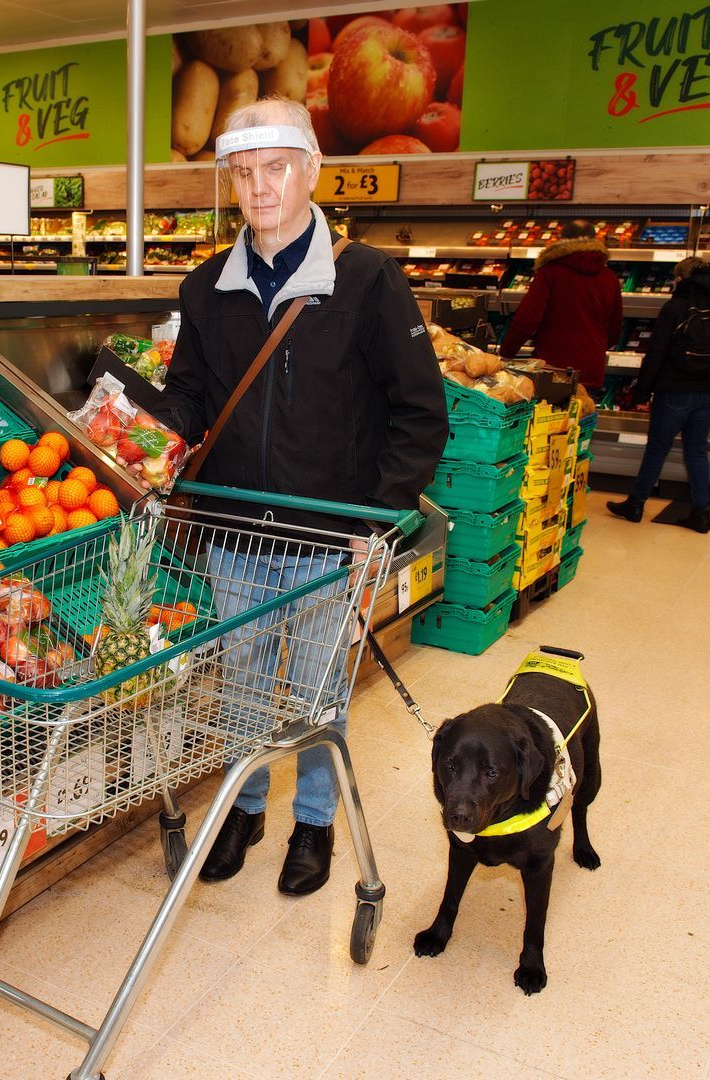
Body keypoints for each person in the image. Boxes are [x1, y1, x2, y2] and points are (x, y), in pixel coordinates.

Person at [155, 97, 446, 897]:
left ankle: (313, 823)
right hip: (233, 528)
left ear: (311, 170)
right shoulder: (206, 286)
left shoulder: (367, 279)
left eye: (274, 168)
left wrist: (374, 521)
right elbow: (189, 396)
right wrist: (141, 435)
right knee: (242, 682)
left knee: (320, 691)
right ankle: (245, 806)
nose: (259, 189)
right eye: (242, 173)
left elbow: (421, 413)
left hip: (331, 534)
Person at [607, 257, 710, 533]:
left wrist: (641, 392)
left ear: (682, 279)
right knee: (697, 452)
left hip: (676, 390)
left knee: (657, 448)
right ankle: (701, 513)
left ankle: (636, 504)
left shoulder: (676, 306)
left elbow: (656, 353)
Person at [498, 220, 623, 390]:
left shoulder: (549, 273)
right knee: (582, 413)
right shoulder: (610, 277)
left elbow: (527, 320)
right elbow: (615, 329)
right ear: (595, 241)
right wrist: (593, 348)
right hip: (592, 367)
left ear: (562, 241)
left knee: (549, 415)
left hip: (553, 367)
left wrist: (506, 353)